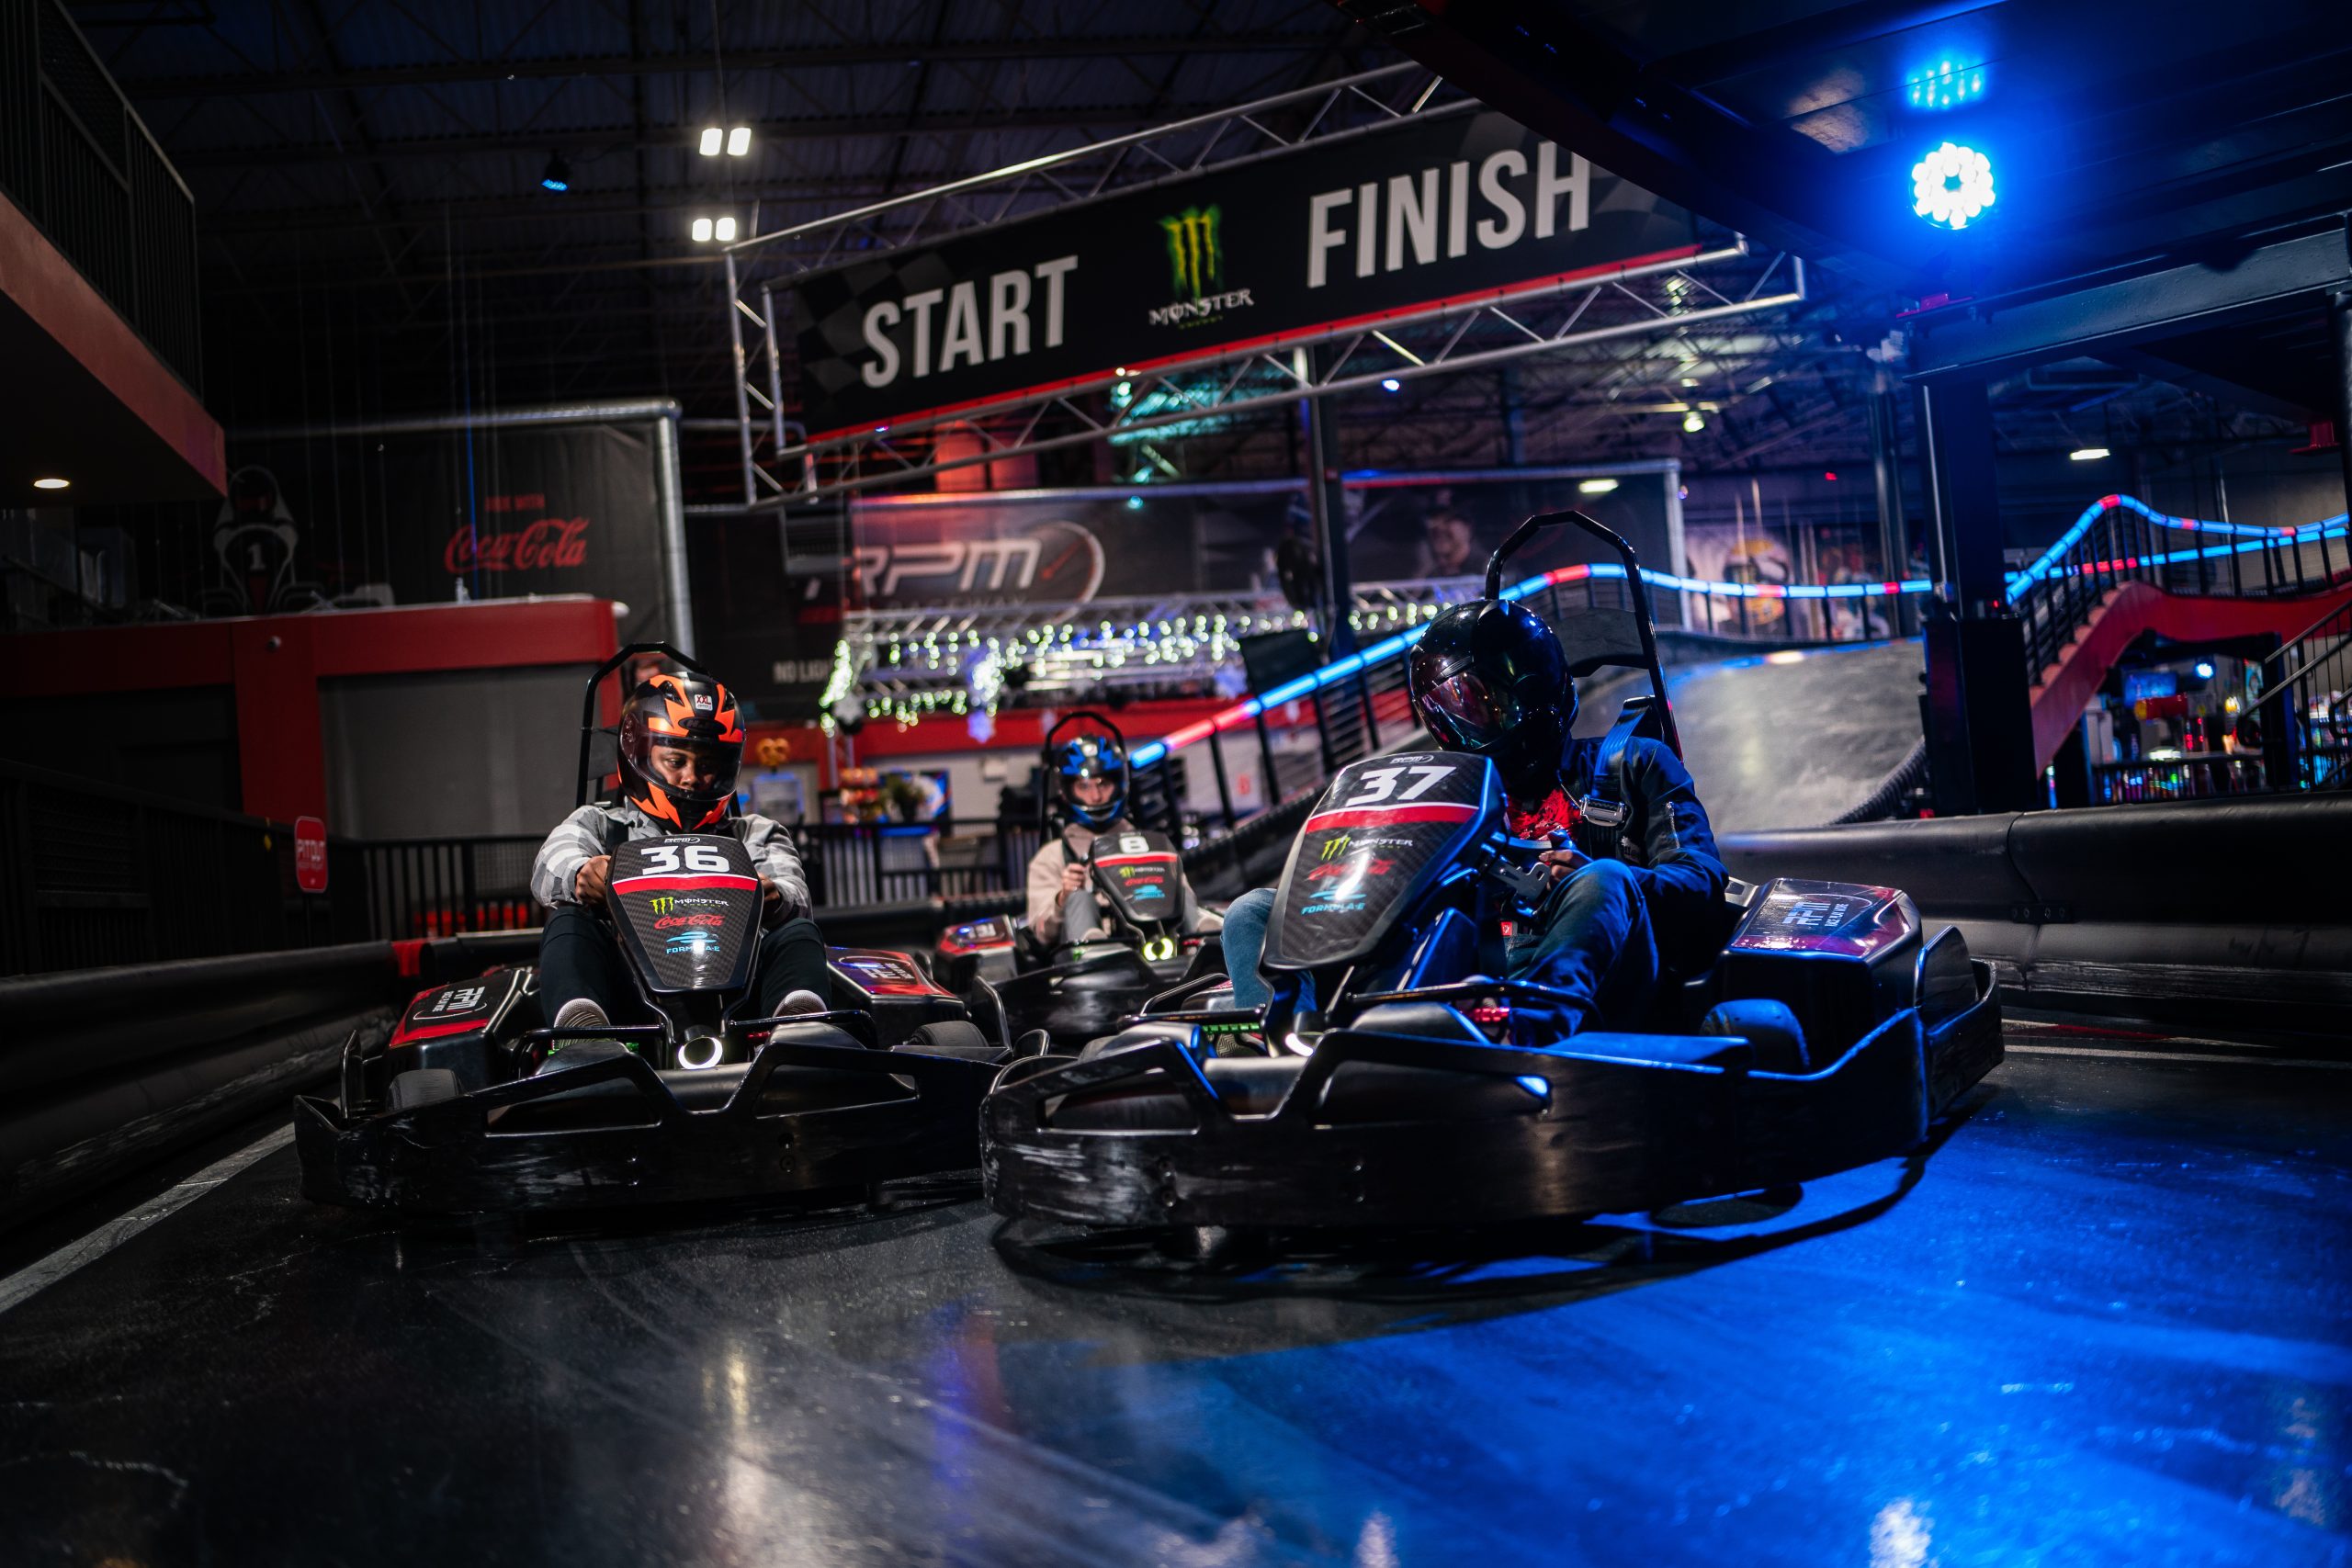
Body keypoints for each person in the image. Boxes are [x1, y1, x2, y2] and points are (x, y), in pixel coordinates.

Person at [1222, 595, 1726, 1035]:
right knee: (1255, 910)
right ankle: (1279, 1043)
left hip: (1594, 975)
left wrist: (1606, 877)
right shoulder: (1446, 792)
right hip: (1464, 973)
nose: (1462, 726)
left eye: (1478, 706)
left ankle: (1525, 1033)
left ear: (1530, 693)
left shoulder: (1634, 762)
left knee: (1605, 878)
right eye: (1449, 710)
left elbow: (1702, 878)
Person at [529, 670, 830, 1042]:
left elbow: (796, 895)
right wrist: (581, 872)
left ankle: (798, 1034)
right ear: (639, 755)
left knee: (798, 932)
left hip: (738, 991)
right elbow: (552, 860)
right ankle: (583, 1035)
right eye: (676, 761)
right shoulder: (601, 824)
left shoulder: (753, 832)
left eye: (707, 766)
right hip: (632, 995)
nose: (691, 778)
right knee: (569, 921)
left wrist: (774, 896)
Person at [1024, 730, 1217, 949]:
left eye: (1102, 784)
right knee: (1080, 898)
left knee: (1178, 892)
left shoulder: (1151, 845)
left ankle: (1204, 936)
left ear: (1119, 784)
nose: (1095, 796)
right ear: (1068, 790)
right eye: (1084, 786)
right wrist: (1063, 897)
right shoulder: (1052, 856)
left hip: (1156, 944)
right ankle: (1094, 945)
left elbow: (1181, 893)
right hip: (1090, 960)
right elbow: (1041, 932)